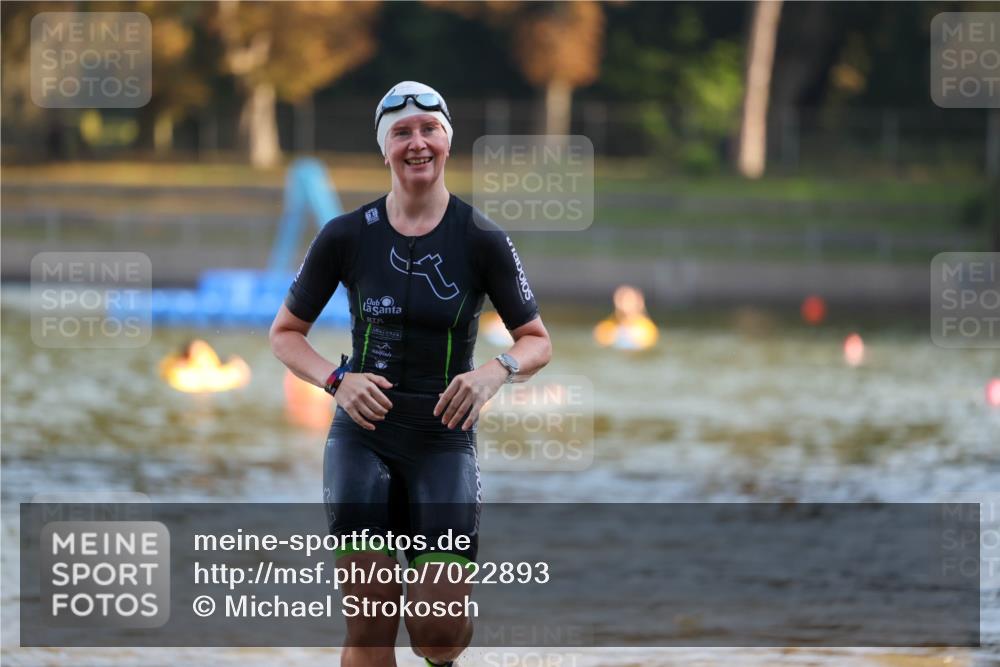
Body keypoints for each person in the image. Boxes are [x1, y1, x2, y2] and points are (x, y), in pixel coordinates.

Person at [269, 81, 552, 667]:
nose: (416, 143)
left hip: (443, 440)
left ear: (448, 141)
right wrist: (335, 380)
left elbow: (537, 342)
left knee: (437, 632)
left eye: (429, 129)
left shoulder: (483, 239)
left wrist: (494, 372)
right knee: (371, 624)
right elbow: (285, 334)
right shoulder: (345, 236)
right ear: (385, 148)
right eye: (402, 133)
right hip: (361, 439)